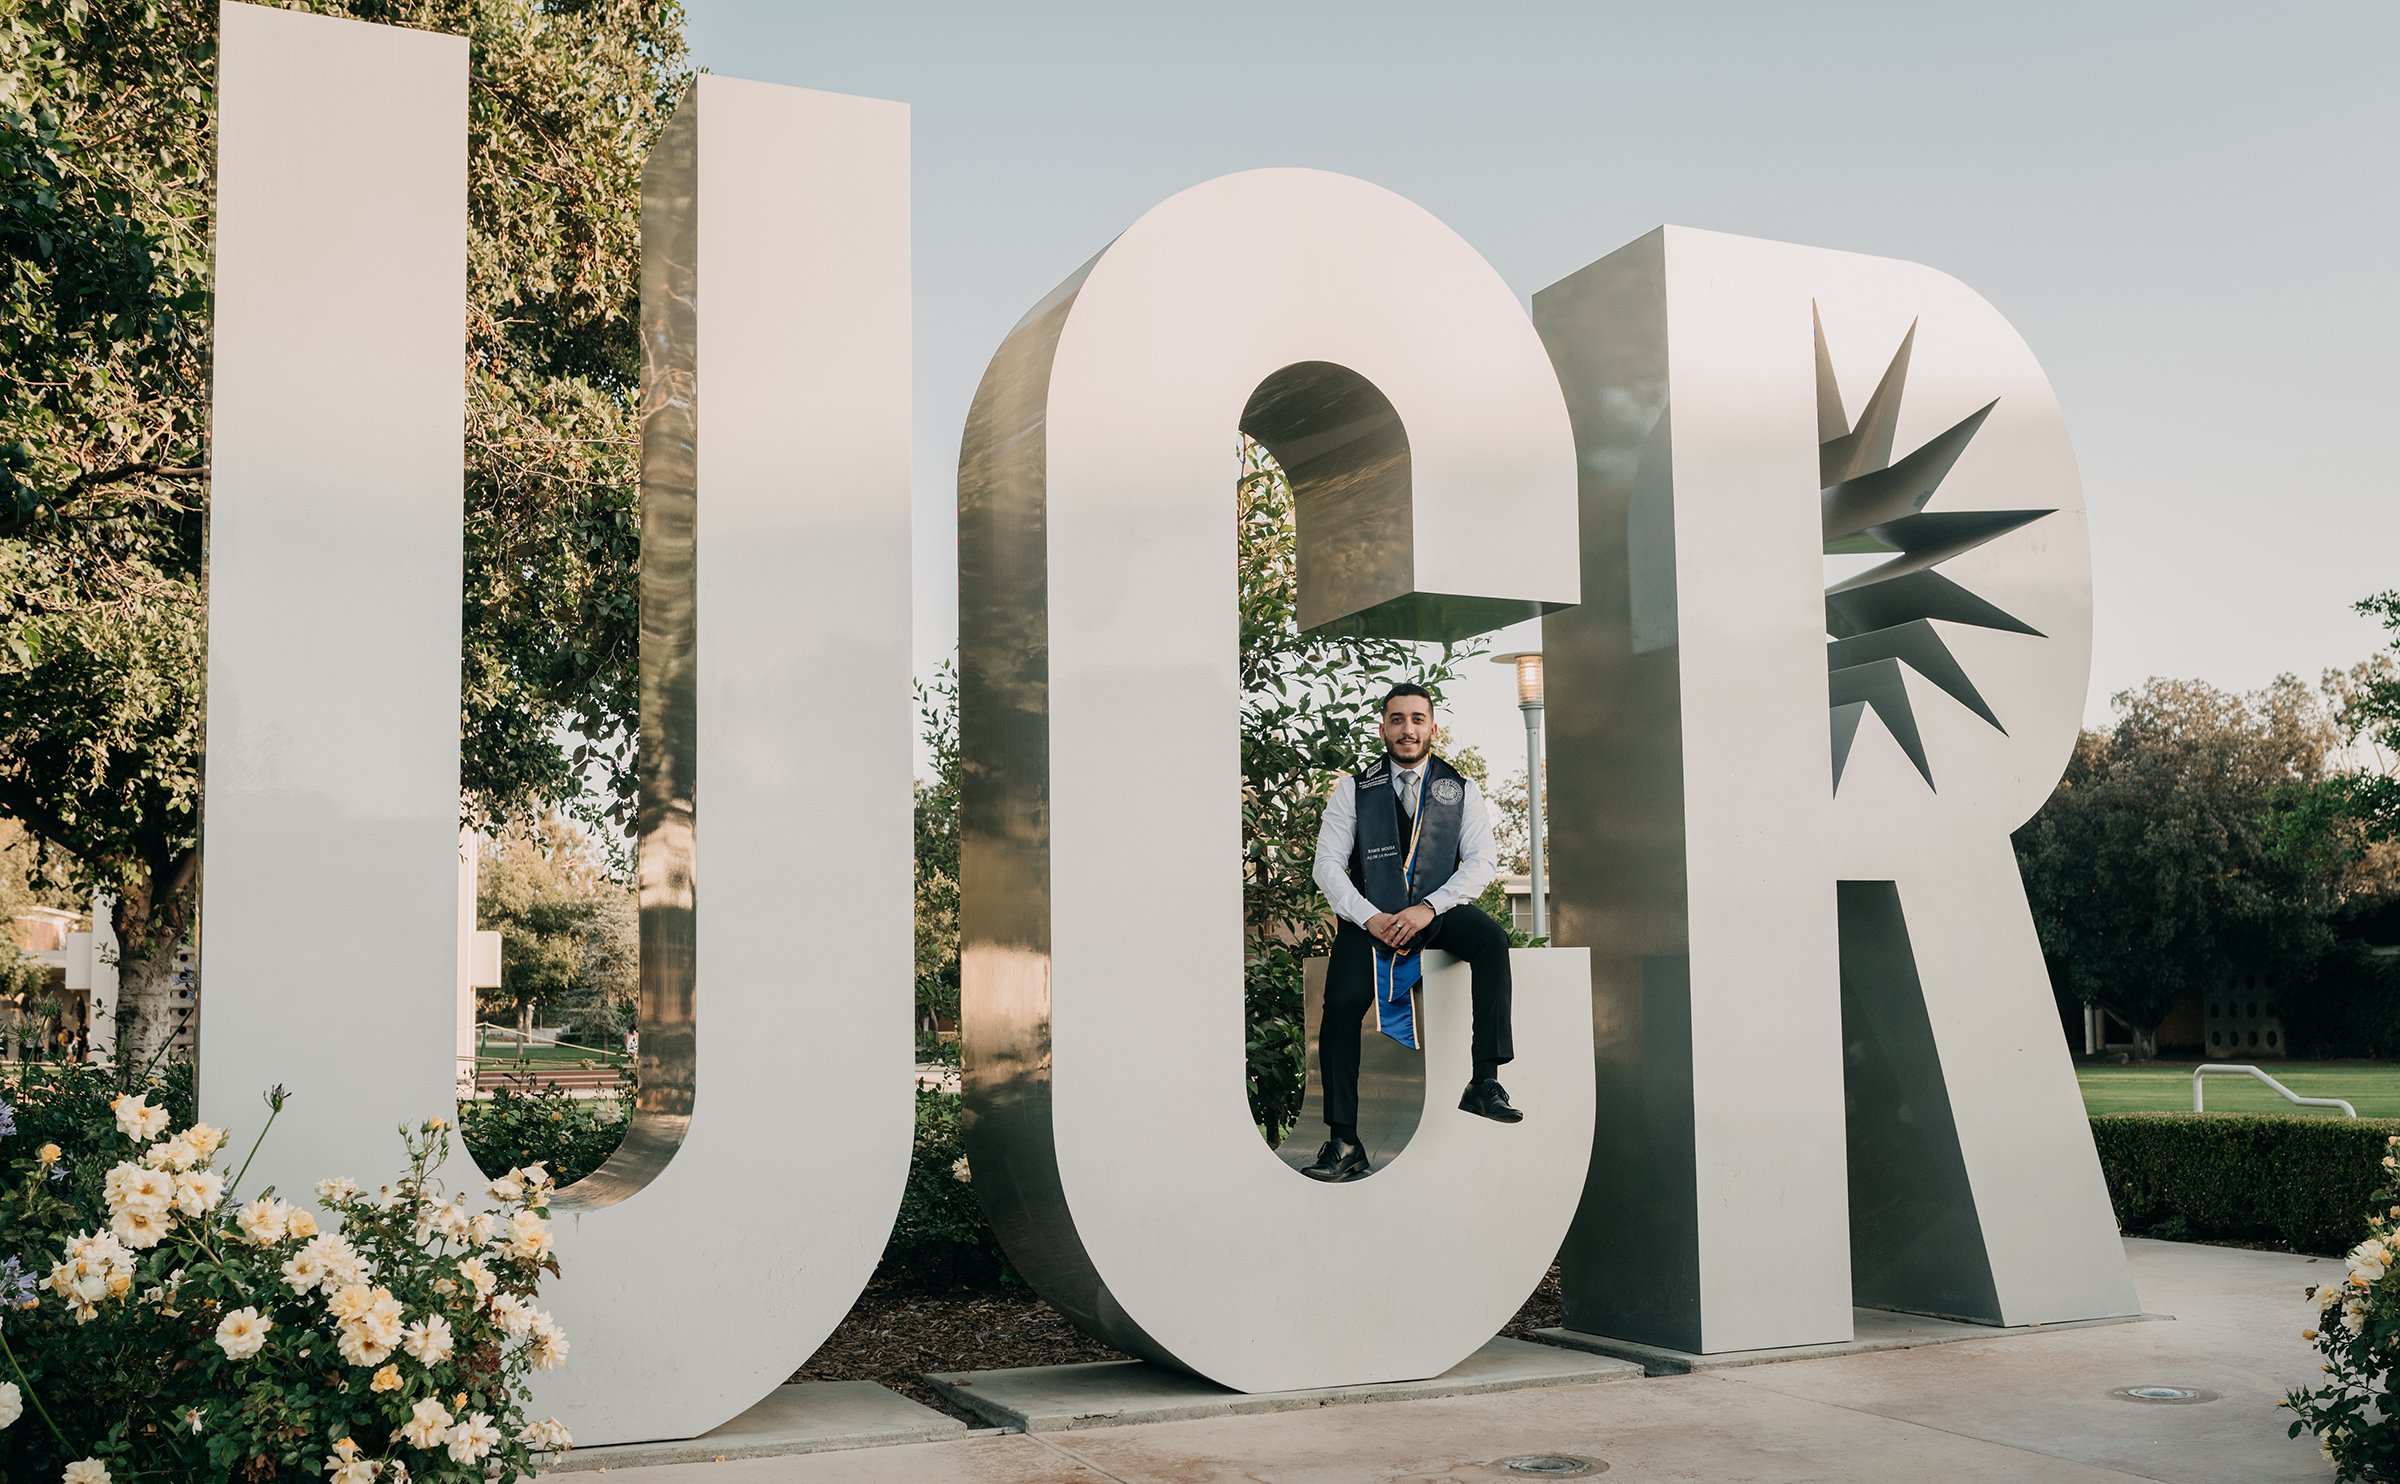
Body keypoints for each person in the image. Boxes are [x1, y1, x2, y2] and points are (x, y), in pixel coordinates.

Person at [1301, 682, 1519, 1183]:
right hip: (1370, 916)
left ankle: (1484, 1080)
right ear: (1383, 728)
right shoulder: (1354, 789)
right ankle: (1344, 1140)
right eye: (1397, 720)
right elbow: (1328, 866)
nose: (1407, 729)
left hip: (1433, 912)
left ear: (1433, 728)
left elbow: (1482, 862)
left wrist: (1427, 908)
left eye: (1417, 719)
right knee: (1341, 1004)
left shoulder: (1460, 788)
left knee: (1491, 941)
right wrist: (1369, 916)